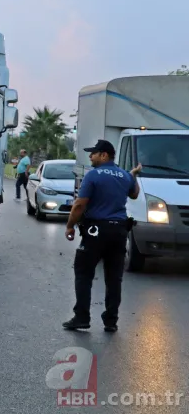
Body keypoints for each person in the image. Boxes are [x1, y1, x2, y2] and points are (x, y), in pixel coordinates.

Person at [63, 139, 141, 333]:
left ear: (104, 155)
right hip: (119, 232)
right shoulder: (124, 176)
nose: (90, 156)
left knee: (83, 272)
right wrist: (134, 175)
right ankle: (111, 320)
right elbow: (134, 194)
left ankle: (81, 317)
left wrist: (70, 226)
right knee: (114, 278)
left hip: (96, 231)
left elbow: (79, 205)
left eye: (94, 153)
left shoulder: (93, 176)